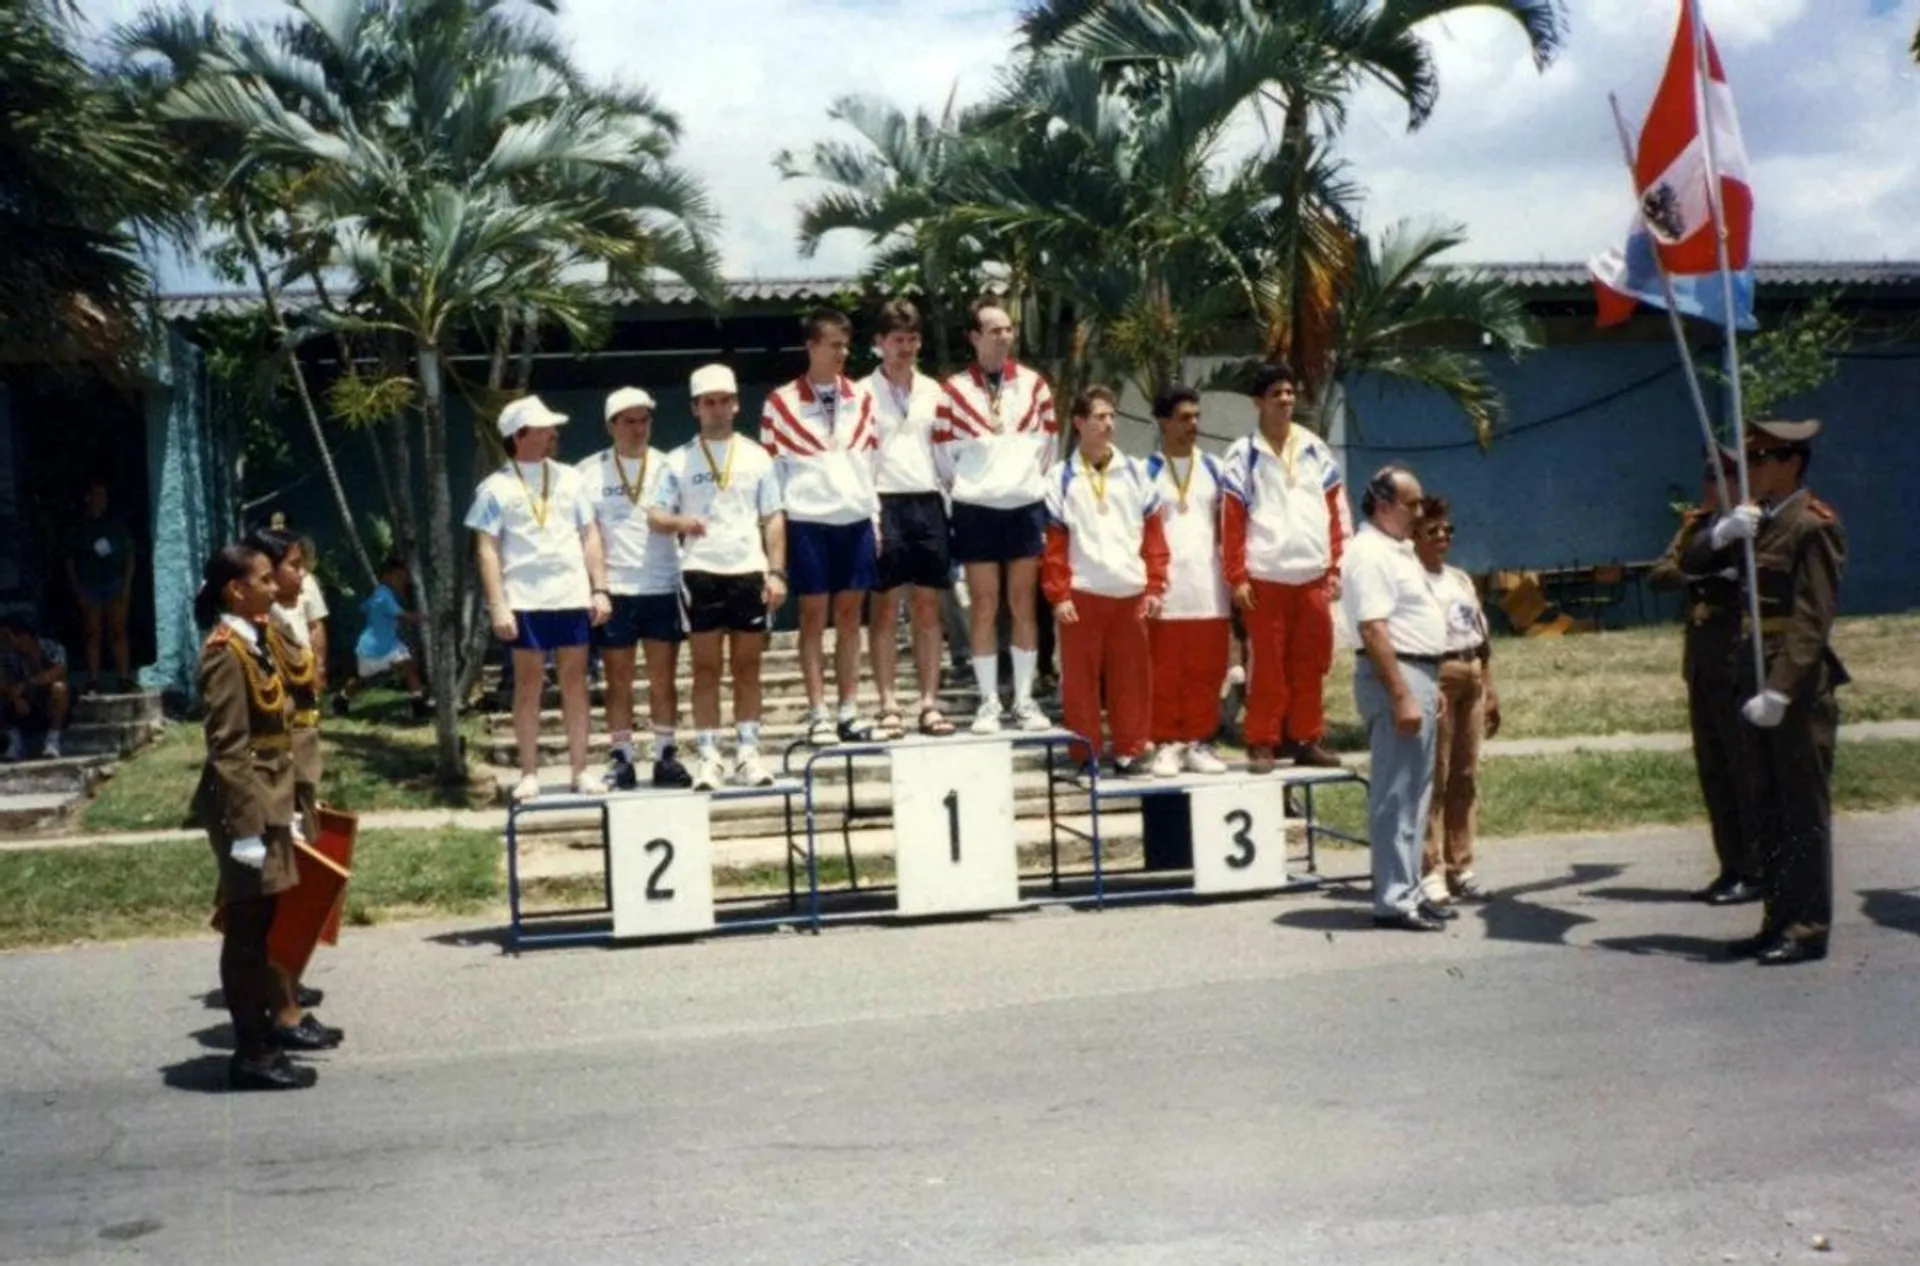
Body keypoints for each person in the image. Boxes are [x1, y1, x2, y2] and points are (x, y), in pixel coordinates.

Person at [1687, 419, 1848, 966]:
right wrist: (1721, 534)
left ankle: (1807, 927)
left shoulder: (1812, 525)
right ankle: (1776, 920)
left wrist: (1779, 692)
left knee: (1801, 811)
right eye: (1748, 461)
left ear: (1791, 462)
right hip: (1748, 674)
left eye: (1760, 460)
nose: (1750, 471)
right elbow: (1689, 564)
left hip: (1794, 688)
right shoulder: (1757, 522)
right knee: (1767, 807)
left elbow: (1811, 619)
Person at [190, 544, 315, 1091]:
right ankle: (252, 1053)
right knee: (245, 932)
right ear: (235, 590)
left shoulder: (255, 641)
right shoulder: (224, 651)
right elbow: (229, 748)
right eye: (263, 579)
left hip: (268, 801)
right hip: (245, 808)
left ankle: (263, 1040)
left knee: (261, 926)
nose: (273, 586)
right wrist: (245, 829)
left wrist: (284, 808)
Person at [467, 395, 614, 803]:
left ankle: (580, 771)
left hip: (570, 594)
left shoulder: (570, 478)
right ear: (520, 436)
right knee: (529, 684)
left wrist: (599, 587)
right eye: (544, 427)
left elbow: (590, 535)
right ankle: (529, 772)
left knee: (576, 682)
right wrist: (498, 603)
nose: (553, 433)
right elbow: (487, 548)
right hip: (524, 598)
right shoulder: (495, 487)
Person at [650, 364, 787, 791]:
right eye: (708, 402)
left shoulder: (757, 455)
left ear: (735, 403)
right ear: (695, 407)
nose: (718, 409)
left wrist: (777, 572)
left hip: (748, 570)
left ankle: (747, 754)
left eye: (724, 401)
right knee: (706, 670)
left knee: (748, 668)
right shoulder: (676, 459)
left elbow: (773, 517)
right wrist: (680, 522)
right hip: (700, 572)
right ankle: (709, 757)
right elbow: (654, 515)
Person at [1339, 465, 1456, 933]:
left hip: (1417, 672)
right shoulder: (1368, 553)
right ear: (1383, 505)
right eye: (1412, 504)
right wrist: (1404, 694)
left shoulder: (1398, 550)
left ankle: (1407, 889)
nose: (1420, 512)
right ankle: (1392, 899)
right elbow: (1373, 629)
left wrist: (1426, 686)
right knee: (1396, 795)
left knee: (1416, 793)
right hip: (1396, 675)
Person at [935, 296, 1058, 735]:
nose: (1004, 336)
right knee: (984, 605)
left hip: (1024, 506)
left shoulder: (1035, 385)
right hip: (976, 509)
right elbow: (944, 459)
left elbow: (1048, 449)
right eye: (994, 330)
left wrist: (1020, 483)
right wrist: (977, 487)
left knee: (1023, 603)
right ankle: (989, 702)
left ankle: (1024, 701)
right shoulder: (953, 391)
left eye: (1008, 329)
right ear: (974, 337)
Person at [761, 309, 880, 744]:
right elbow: (773, 475)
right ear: (811, 346)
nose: (842, 353)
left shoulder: (863, 398)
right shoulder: (780, 402)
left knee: (850, 617)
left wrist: (876, 518)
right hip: (808, 522)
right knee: (813, 617)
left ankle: (849, 708)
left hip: (855, 519)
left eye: (846, 346)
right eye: (833, 345)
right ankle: (819, 712)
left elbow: (872, 463)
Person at [246, 527, 345, 1039]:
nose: (300, 574)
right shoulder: (255, 631)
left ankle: (286, 983)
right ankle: (280, 1007)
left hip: (297, 763)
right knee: (281, 890)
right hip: (275, 773)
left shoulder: (284, 617)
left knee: (297, 883)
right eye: (289, 567)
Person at [1222, 361, 1345, 773]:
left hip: (1312, 575)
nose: (1287, 400)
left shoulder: (1315, 448)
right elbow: (1232, 521)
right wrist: (1237, 577)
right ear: (1259, 401)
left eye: (1291, 393)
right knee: (1268, 667)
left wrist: (1336, 566)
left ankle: (1306, 737)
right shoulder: (1242, 455)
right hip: (1266, 579)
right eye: (1277, 394)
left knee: (1310, 663)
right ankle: (1262, 741)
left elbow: (1335, 508)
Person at [1648, 451, 1759, 906]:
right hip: (1702, 662)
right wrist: (1707, 569)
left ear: (1738, 480)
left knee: (1743, 769)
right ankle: (1730, 865)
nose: (1708, 485)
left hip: (1736, 658)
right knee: (1714, 771)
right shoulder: (1698, 524)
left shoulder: (1753, 522)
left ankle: (1755, 868)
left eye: (1719, 476)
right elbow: (1660, 573)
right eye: (1707, 476)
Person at [1041, 386, 1168, 776]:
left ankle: (1130, 748)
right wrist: (1059, 594)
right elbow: (1054, 544)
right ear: (1079, 423)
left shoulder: (1137, 471)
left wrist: (1155, 586)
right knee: (1079, 680)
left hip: (1129, 591)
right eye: (1100, 416)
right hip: (1082, 592)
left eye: (1112, 416)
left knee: (1130, 678)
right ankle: (1086, 751)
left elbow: (1154, 536)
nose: (1109, 423)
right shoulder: (1061, 476)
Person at [579, 386, 691, 789]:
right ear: (611, 426)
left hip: (662, 584)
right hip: (617, 589)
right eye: (629, 421)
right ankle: (622, 757)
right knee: (618, 678)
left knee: (664, 677)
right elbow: (585, 534)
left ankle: (665, 754)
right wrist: (598, 588)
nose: (638, 428)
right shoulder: (588, 471)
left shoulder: (668, 465)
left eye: (644, 420)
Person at [862, 298, 955, 739]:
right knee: (883, 609)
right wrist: (870, 514)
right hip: (882, 502)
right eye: (897, 339)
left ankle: (929, 703)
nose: (906, 347)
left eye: (913, 339)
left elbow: (946, 455)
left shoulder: (935, 391)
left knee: (927, 608)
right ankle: (887, 704)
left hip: (927, 502)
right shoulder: (860, 393)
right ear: (879, 343)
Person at [1412, 497, 1500, 906]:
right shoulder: (1413, 581)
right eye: (1433, 531)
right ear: (1415, 536)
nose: (1443, 537)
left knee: (1465, 772)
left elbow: (1482, 639)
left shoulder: (1460, 579)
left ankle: (1460, 864)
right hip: (1439, 672)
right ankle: (1429, 868)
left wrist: (1490, 686)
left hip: (1471, 672)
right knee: (1436, 773)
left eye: (1448, 530)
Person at [1143, 384, 1232, 777]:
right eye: (1184, 417)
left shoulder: (1216, 468)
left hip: (1209, 587)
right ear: (1163, 422)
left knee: (1206, 671)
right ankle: (1166, 743)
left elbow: (1229, 528)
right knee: (1164, 671)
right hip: (1165, 589)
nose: (1193, 424)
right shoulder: (1143, 472)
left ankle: (1199, 741)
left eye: (1196, 416)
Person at [331, 556, 429, 721]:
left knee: (409, 667)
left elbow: (366, 607)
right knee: (362, 680)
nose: (402, 581)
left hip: (389, 644)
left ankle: (418, 706)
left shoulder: (383, 594)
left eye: (404, 578)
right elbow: (403, 616)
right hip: (373, 647)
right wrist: (423, 617)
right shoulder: (384, 595)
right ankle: (341, 699)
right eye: (399, 578)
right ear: (386, 577)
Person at [63, 479, 136, 693]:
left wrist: (126, 585)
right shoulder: (79, 528)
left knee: (118, 630)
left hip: (114, 583)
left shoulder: (115, 525)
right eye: (97, 495)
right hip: (90, 585)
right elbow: (70, 561)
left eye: (104, 496)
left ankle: (124, 678)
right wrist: (78, 590)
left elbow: (130, 555)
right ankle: (93, 679)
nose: (101, 500)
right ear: (88, 498)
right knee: (93, 632)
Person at [0, 617, 71, 759]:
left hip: (47, 699)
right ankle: (14, 741)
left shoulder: (52, 647)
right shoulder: (7, 655)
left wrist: (27, 684)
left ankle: (53, 740)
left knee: (60, 688)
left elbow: (58, 671)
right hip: (21, 702)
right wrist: (15, 696)